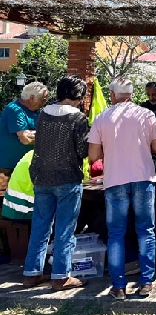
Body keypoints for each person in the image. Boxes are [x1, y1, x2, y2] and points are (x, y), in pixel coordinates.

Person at [88, 76, 156, 300]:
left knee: (116, 234)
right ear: (131, 94)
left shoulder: (102, 118)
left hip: (115, 180)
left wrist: (107, 150)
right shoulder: (146, 114)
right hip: (143, 177)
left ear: (112, 94)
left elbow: (93, 156)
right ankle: (146, 282)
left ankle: (118, 285)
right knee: (145, 231)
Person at [23, 76, 89, 290]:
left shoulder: (43, 114)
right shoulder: (78, 118)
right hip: (67, 177)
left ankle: (32, 273)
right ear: (78, 96)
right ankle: (61, 276)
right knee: (64, 228)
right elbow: (82, 151)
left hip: (41, 175)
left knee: (40, 227)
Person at [0, 82, 48, 175]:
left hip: (26, 165)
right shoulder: (14, 109)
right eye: (43, 99)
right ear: (32, 98)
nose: (44, 102)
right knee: (4, 189)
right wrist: (47, 136)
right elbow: (25, 139)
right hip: (8, 166)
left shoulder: (36, 111)